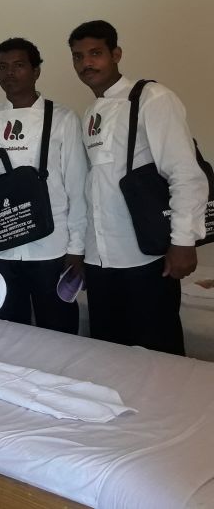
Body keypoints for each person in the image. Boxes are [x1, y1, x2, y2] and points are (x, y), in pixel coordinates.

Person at [69, 20, 206, 354]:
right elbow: (94, 187)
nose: (86, 63)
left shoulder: (152, 98)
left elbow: (185, 172)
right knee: (109, 354)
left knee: (159, 357)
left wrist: (183, 241)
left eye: (96, 53)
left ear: (116, 54)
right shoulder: (91, 112)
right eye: (78, 56)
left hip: (145, 257)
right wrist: (83, 251)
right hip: (101, 261)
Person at [0, 38, 86, 333]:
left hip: (51, 250)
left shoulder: (62, 119)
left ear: (36, 71)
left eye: (18, 66)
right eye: (2, 67)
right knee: (5, 334)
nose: (10, 73)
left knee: (59, 334)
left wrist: (77, 248)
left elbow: (77, 188)